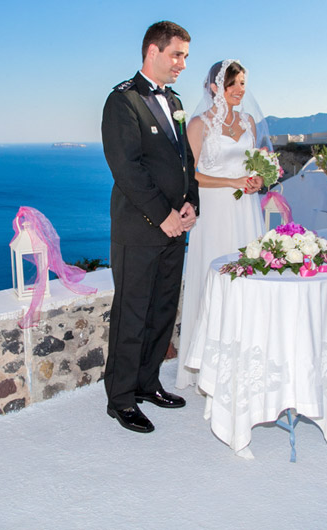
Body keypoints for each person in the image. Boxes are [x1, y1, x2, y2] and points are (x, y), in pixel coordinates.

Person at [101, 21, 199, 433]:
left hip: (176, 227)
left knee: (161, 310)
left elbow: (184, 159)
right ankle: (121, 398)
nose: (182, 64)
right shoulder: (122, 101)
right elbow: (127, 167)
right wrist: (164, 216)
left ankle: (147, 382)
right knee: (132, 313)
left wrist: (192, 202)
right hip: (141, 229)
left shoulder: (174, 100)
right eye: (177, 55)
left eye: (186, 58)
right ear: (152, 52)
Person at [175, 60, 269, 389]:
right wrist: (232, 182)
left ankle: (246, 358)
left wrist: (256, 179)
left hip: (245, 210)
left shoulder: (250, 122)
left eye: (244, 83)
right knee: (213, 278)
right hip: (213, 211)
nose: (241, 90)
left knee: (248, 280)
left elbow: (257, 163)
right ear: (216, 87)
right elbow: (192, 175)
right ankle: (207, 367)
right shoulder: (199, 125)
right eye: (235, 83)